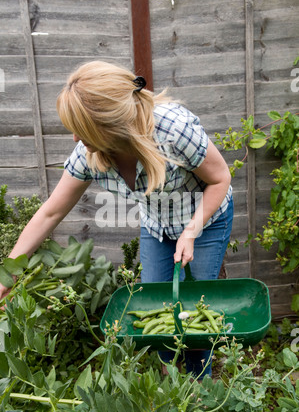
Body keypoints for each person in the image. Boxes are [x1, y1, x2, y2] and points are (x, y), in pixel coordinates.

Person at [0, 60, 233, 379]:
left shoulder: (173, 131)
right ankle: (169, 386)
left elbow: (220, 179)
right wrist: (7, 276)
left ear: (109, 128)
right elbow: (51, 212)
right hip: (157, 226)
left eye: (81, 131)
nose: (74, 139)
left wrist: (191, 231)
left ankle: (200, 384)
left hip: (204, 222)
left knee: (194, 313)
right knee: (155, 310)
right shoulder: (89, 154)